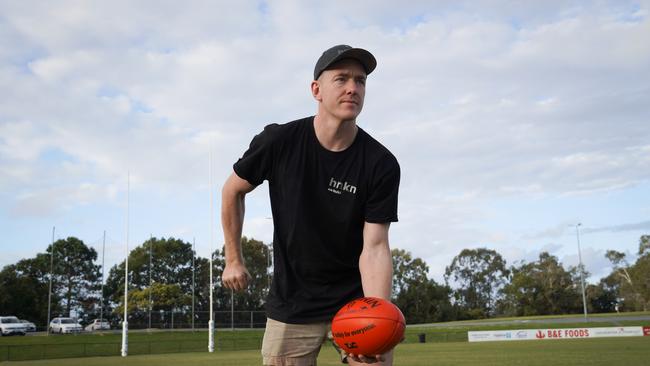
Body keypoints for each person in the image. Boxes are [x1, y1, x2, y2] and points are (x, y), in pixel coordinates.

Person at [221, 44, 400, 366]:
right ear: (316, 89)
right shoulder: (279, 142)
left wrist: (375, 316)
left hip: (354, 304)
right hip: (293, 302)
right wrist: (233, 259)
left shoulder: (380, 163)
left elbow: (374, 247)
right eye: (341, 79)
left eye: (360, 81)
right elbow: (232, 190)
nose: (352, 88)